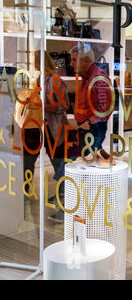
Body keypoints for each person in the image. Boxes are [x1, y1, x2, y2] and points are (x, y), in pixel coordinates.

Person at [19, 50, 70, 223]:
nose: (32, 63)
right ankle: (25, 193)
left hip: (54, 129)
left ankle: (65, 202)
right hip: (38, 127)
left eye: (34, 60)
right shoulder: (39, 80)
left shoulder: (55, 81)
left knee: (59, 165)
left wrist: (43, 106)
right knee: (29, 159)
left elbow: (64, 105)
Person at [69, 43, 113, 156]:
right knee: (89, 163)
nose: (71, 64)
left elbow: (104, 109)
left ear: (86, 60)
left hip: (92, 129)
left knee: (90, 164)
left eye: (75, 60)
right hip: (86, 129)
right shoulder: (86, 77)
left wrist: (88, 123)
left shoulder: (98, 78)